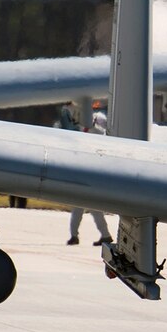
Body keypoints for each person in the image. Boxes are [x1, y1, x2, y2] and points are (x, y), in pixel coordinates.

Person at [64, 101, 114, 246]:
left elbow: (106, 135)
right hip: (86, 171)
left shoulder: (99, 120)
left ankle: (77, 236)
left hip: (93, 172)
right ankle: (81, 235)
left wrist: (93, 126)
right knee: (85, 209)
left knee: (86, 208)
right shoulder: (82, 127)